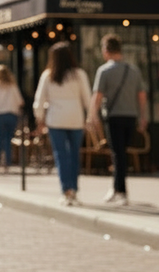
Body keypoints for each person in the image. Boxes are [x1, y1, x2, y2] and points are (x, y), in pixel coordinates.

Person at [88, 33, 148, 205]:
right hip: (131, 116)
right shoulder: (134, 70)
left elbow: (97, 97)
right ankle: (118, 189)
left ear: (106, 50)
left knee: (118, 154)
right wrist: (143, 116)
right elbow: (142, 96)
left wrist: (92, 116)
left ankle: (120, 191)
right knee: (121, 154)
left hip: (114, 117)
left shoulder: (104, 71)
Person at [34, 42, 91, 205]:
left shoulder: (48, 75)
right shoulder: (79, 74)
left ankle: (66, 190)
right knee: (74, 155)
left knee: (61, 156)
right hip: (75, 118)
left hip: (56, 119)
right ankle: (73, 189)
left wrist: (40, 118)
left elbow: (39, 100)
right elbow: (87, 98)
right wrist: (90, 117)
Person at [0, 64, 24, 171]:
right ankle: (7, 163)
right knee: (8, 139)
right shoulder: (12, 86)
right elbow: (20, 101)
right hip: (11, 115)